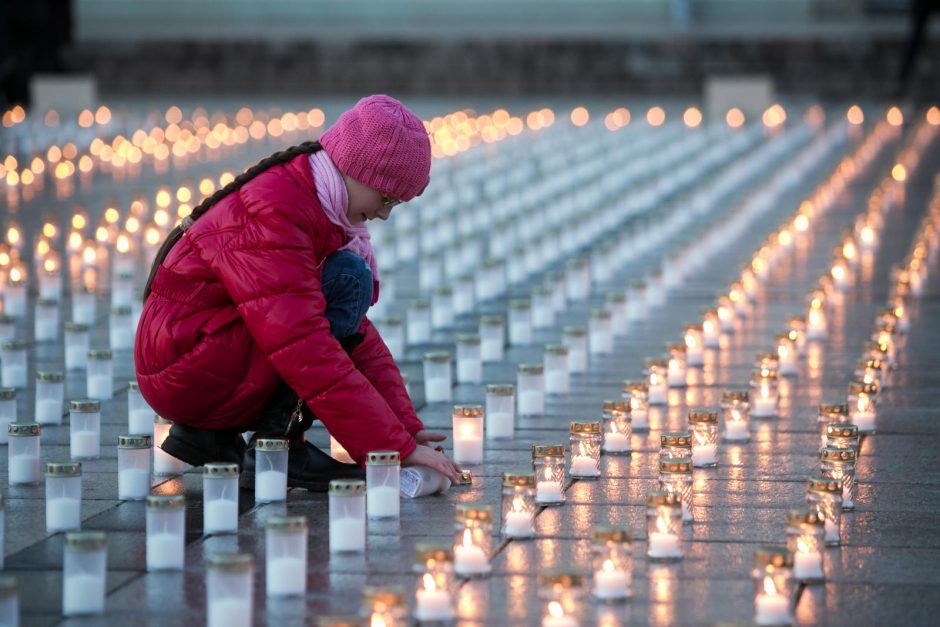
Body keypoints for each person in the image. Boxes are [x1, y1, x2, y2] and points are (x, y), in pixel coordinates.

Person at [134, 95, 462, 490]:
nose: (385, 213)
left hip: (201, 351)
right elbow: (305, 344)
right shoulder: (277, 211)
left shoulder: (310, 199)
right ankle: (278, 445)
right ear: (356, 171)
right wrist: (391, 447)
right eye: (387, 197)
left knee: (344, 281)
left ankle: (214, 436)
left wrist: (405, 427)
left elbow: (356, 336)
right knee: (346, 281)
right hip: (187, 366)